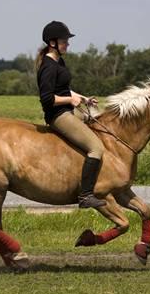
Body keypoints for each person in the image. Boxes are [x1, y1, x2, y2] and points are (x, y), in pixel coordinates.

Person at [35, 20, 107, 209]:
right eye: (64, 41)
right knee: (96, 148)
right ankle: (85, 195)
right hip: (58, 116)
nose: (67, 44)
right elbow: (47, 99)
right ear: (52, 43)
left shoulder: (59, 61)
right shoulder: (48, 67)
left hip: (68, 110)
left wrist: (82, 98)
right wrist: (69, 101)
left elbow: (64, 89)